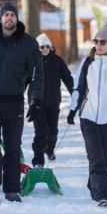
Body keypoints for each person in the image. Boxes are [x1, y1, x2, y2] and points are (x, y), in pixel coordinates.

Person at [0, 1, 43, 203]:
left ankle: (12, 189)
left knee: (13, 145)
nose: (9, 18)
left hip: (13, 102)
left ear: (17, 18)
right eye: (6, 15)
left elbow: (37, 75)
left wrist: (36, 101)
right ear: (1, 18)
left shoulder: (29, 43)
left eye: (12, 15)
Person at [67, 19, 107, 207]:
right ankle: (102, 194)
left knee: (104, 159)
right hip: (88, 118)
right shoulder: (87, 63)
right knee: (95, 158)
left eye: (102, 42)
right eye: (96, 41)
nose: (98, 45)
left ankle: (93, 183)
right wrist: (72, 110)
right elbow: (78, 88)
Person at [30, 33, 73, 168]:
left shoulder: (57, 61)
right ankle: (38, 160)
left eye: (47, 46)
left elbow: (67, 78)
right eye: (42, 47)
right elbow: (24, 81)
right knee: (40, 132)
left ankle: (49, 150)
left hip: (54, 103)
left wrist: (75, 93)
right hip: (38, 104)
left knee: (53, 131)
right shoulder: (33, 63)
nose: (45, 49)